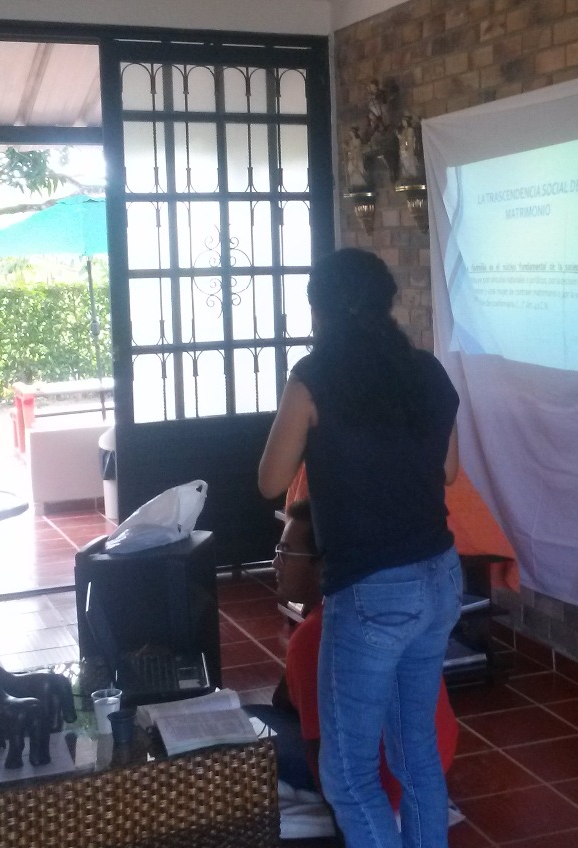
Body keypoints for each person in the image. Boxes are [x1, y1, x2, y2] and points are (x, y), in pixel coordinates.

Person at [258, 248, 462, 848]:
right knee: (415, 752)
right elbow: (449, 471)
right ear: (385, 303)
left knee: (347, 775)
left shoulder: (314, 377)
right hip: (439, 577)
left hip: (373, 588)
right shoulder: (427, 371)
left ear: (319, 309)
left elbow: (270, 481)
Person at [250, 499, 459, 814]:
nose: (275, 565)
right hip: (432, 769)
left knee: (250, 726)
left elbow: (324, 759)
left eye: (285, 554)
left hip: (382, 789)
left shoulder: (318, 634)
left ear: (324, 565)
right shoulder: (389, 604)